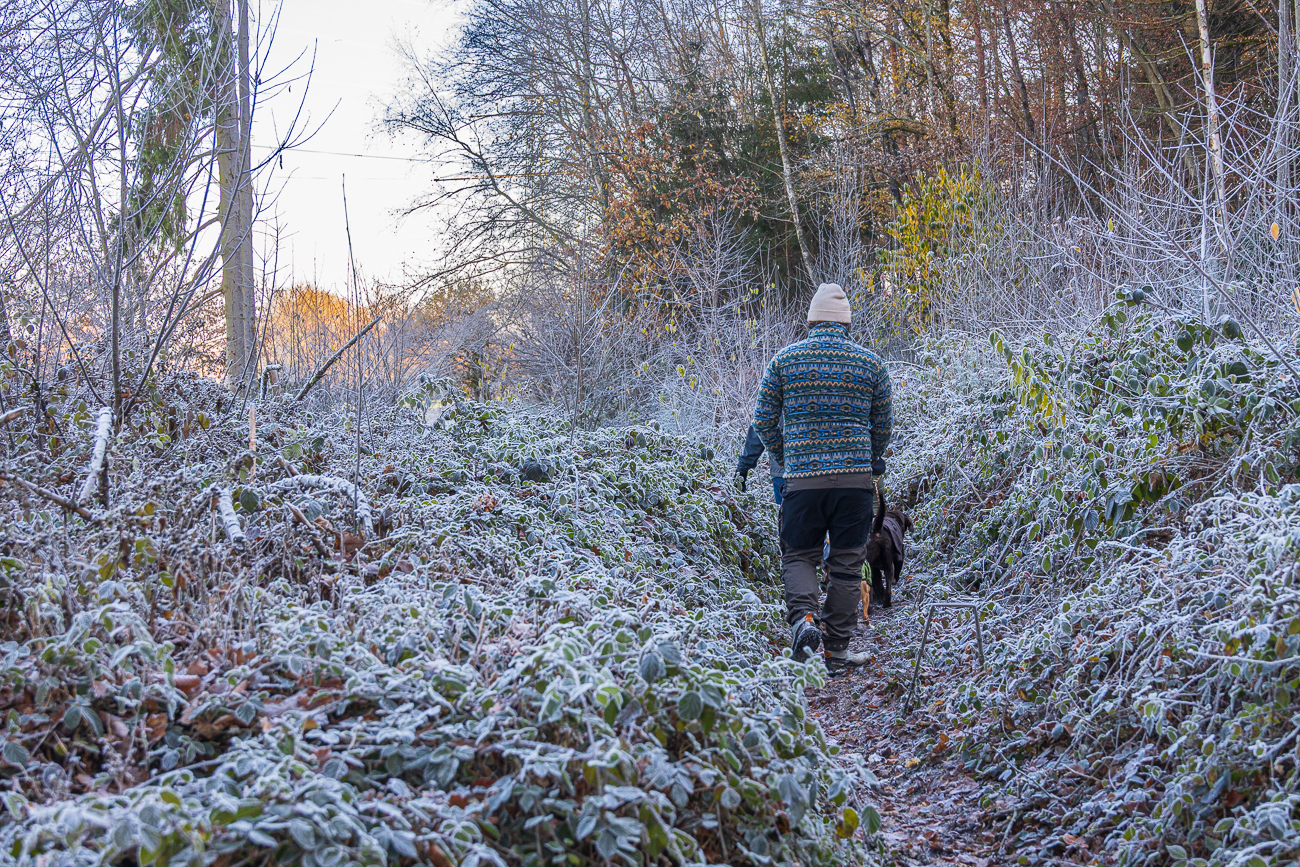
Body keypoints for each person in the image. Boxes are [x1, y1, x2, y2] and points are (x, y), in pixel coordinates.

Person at [753, 283, 892, 669]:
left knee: (799, 554)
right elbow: (883, 426)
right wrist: (871, 455)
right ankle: (836, 650)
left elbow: (763, 420)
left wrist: (786, 456)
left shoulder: (784, 361)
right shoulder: (872, 364)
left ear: (812, 319)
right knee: (847, 565)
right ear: (846, 323)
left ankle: (805, 620)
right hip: (855, 484)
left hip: (802, 482)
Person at [735, 423, 784, 503]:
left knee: (787, 514)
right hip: (808, 470)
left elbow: (761, 424)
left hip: (782, 471)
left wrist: (742, 468)